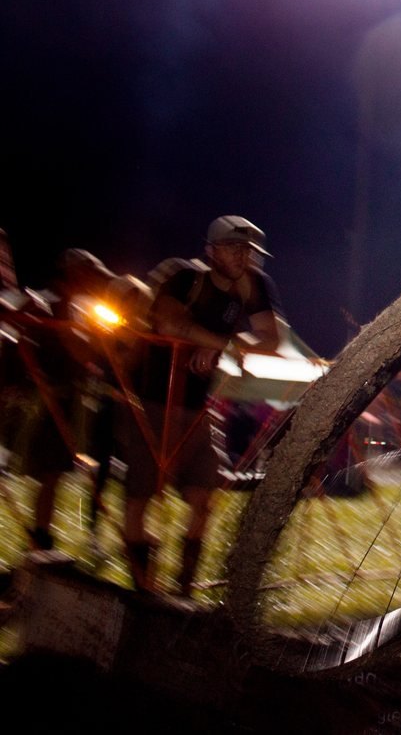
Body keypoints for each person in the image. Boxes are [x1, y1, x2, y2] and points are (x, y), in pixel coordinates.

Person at [119, 215, 286, 595]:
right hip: (152, 398)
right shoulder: (184, 277)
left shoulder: (254, 285)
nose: (243, 257)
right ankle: (143, 589)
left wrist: (226, 348)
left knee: (203, 498)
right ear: (211, 251)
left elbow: (270, 338)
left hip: (197, 406)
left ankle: (183, 589)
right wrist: (221, 345)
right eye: (233, 249)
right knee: (140, 497)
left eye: (248, 250)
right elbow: (168, 324)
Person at [7, 248, 115, 552]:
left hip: (62, 400)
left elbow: (88, 357)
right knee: (45, 470)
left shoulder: (80, 311)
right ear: (74, 273)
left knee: (51, 473)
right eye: (89, 275)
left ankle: (41, 536)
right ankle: (39, 536)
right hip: (36, 401)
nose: (93, 282)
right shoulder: (43, 304)